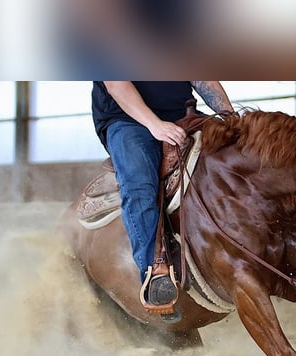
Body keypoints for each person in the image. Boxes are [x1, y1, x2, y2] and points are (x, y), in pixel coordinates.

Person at [91, 81, 234, 309]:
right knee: (139, 185)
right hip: (129, 121)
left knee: (235, 155)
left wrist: (230, 116)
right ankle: (155, 273)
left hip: (183, 115)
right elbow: (117, 85)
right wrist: (155, 125)